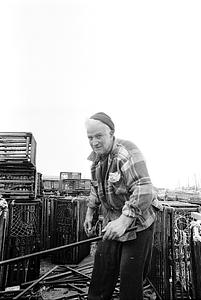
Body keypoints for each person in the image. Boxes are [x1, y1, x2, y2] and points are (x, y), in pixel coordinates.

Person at [83, 112, 161, 300]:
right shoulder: (96, 160)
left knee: (129, 281)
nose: (94, 142)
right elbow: (96, 188)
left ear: (111, 133)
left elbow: (144, 187)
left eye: (99, 136)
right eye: (90, 138)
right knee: (101, 275)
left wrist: (125, 220)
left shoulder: (126, 152)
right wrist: (90, 212)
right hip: (112, 222)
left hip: (138, 223)